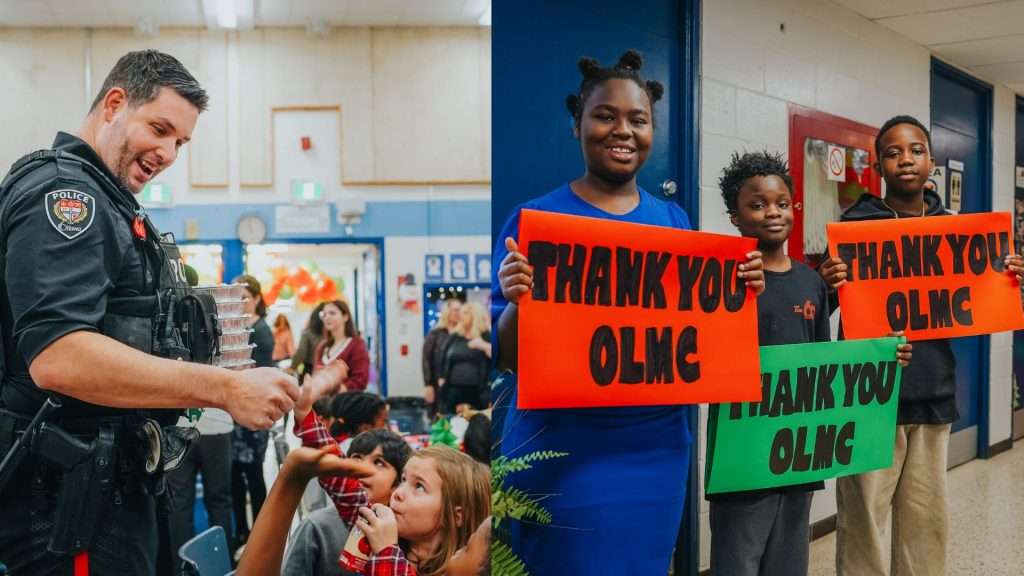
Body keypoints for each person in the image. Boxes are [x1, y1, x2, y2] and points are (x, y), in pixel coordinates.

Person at [0, 50, 299, 575]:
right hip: (66, 507)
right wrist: (222, 389)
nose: (166, 153)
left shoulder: (111, 201)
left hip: (108, 490)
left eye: (179, 142)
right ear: (115, 103)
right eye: (158, 129)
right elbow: (59, 356)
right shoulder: (67, 195)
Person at [492, 50, 765, 573]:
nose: (622, 130)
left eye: (637, 120)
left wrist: (742, 287)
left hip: (655, 450)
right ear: (577, 125)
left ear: (651, 132)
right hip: (562, 452)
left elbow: (699, 330)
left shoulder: (674, 220)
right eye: (605, 116)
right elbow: (505, 357)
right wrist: (516, 302)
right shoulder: (535, 220)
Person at [820, 115, 1024, 575]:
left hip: (933, 394)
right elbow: (828, 304)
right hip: (869, 397)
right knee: (863, 524)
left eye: (915, 150)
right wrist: (827, 282)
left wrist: (1007, 276)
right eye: (893, 152)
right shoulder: (856, 228)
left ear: (931, 161)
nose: (905, 159)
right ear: (878, 166)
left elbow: (983, 295)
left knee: (925, 524)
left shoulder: (954, 232)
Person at [708, 151, 911, 575]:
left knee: (788, 557)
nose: (772, 213)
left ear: (794, 209)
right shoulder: (723, 277)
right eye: (757, 204)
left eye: (782, 203)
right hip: (742, 456)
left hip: (797, 454)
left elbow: (824, 363)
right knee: (738, 557)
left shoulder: (811, 281)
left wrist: (884, 356)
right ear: (734, 215)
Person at [282, 427, 412, 576]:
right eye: (356, 458)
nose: (362, 468)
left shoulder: (404, 532)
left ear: (398, 483)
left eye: (379, 463)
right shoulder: (316, 528)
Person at [230, 275, 277, 550]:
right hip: (236, 415)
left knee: (253, 476)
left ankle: (260, 538)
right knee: (235, 476)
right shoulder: (238, 327)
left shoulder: (260, 330)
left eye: (245, 297)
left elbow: (256, 372)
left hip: (254, 411)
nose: (240, 302)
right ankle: (242, 533)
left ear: (258, 299)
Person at [438, 302, 491, 414]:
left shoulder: (486, 335)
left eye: (465, 313)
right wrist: (441, 378)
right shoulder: (455, 336)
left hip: (477, 392)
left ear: (474, 315)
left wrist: (483, 345)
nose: (461, 315)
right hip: (453, 390)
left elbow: (497, 356)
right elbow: (443, 357)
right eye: (461, 313)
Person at [312, 300, 370, 392]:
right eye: (324, 314)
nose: (327, 317)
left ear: (345, 317)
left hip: (346, 403)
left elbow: (360, 380)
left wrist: (336, 389)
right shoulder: (322, 347)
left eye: (332, 313)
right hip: (321, 402)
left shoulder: (357, 344)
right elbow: (315, 375)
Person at [422, 299, 462, 415]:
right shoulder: (435, 334)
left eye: (460, 310)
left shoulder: (464, 334)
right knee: (439, 417)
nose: (458, 313)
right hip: (437, 382)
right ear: (447, 312)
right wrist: (428, 384)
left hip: (457, 384)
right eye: (455, 310)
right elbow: (426, 359)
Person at [291, 302, 327, 384]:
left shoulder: (308, 333)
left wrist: (292, 367)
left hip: (309, 372)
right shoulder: (330, 335)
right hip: (329, 372)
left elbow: (301, 353)